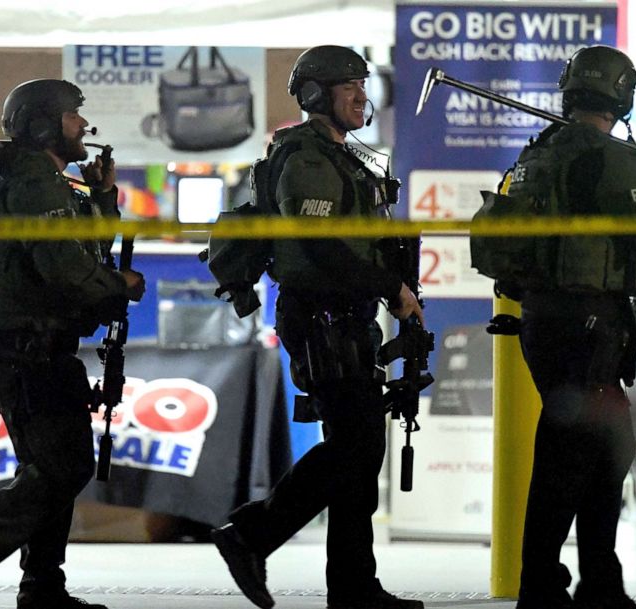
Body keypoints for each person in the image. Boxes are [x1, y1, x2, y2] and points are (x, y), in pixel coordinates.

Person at [209, 45, 426, 609]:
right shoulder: (306, 158)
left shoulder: (343, 156)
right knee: (354, 447)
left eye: (362, 84)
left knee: (358, 455)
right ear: (314, 96)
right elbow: (321, 245)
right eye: (347, 86)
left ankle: (353, 588)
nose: (361, 95)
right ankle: (251, 534)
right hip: (321, 314)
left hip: (346, 316)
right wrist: (390, 287)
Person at [500, 46, 636, 608]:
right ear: (622, 94)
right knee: (572, 457)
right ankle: (543, 588)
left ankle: (596, 583)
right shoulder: (617, 159)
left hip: (545, 319)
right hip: (589, 324)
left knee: (599, 450)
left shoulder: (539, 153)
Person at [0, 79, 145, 609]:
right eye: (74, 116)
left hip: (28, 348)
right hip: (28, 350)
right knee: (64, 466)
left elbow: (81, 248)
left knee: (47, 467)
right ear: (43, 125)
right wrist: (117, 286)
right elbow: (65, 268)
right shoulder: (36, 186)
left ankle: (42, 588)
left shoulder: (47, 184)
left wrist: (101, 196)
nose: (84, 126)